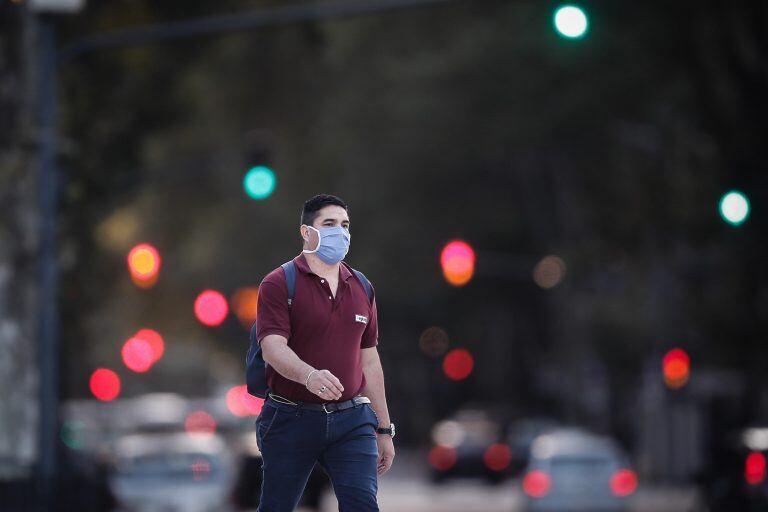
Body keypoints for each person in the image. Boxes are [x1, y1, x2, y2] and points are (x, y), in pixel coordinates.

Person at [255, 194, 395, 511]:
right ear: (307, 232)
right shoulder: (279, 283)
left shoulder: (361, 286)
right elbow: (272, 347)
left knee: (362, 505)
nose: (340, 232)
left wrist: (384, 428)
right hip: (290, 417)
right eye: (329, 224)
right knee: (277, 506)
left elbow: (370, 361)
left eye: (344, 225)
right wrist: (309, 375)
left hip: (352, 420)